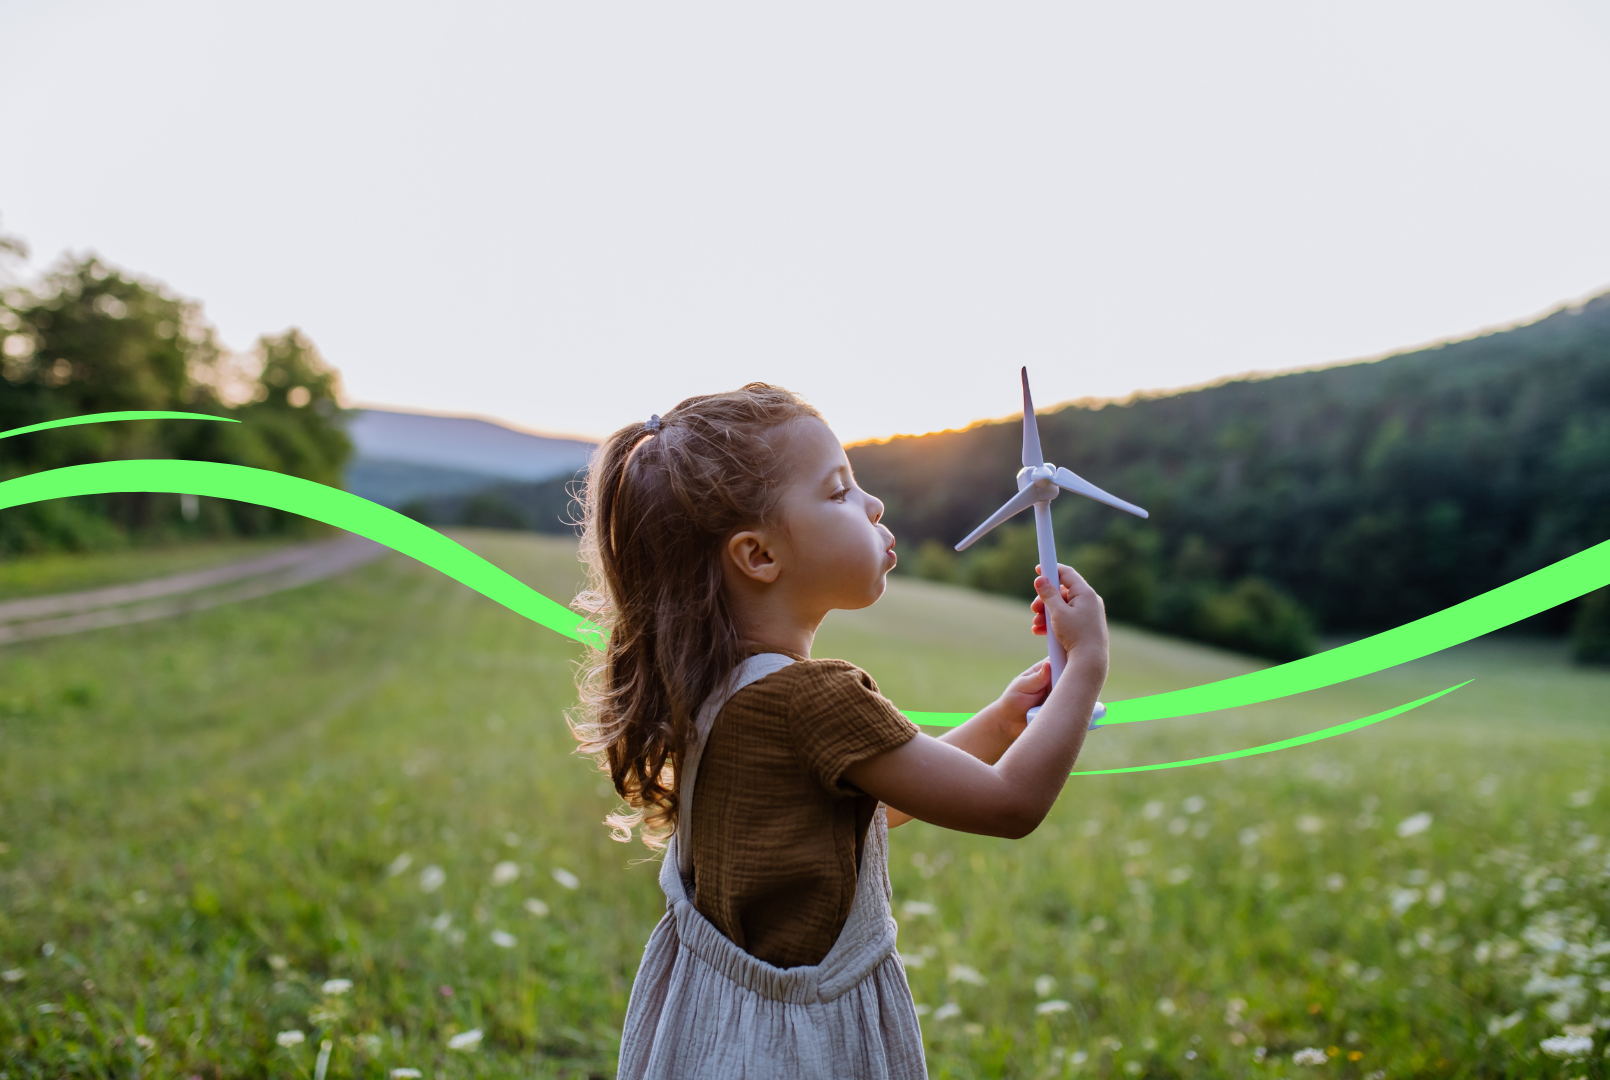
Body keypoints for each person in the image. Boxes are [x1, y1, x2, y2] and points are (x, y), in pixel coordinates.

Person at [570, 384, 1108, 1080]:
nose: (873, 503)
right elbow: (1009, 805)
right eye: (839, 490)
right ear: (758, 556)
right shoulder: (814, 697)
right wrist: (1088, 663)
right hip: (796, 1048)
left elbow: (873, 809)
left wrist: (1007, 719)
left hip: (715, 1029)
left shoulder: (718, 686)